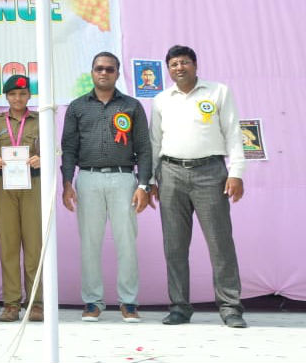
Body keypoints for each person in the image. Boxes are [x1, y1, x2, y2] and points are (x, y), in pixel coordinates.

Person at [150, 45, 247, 328]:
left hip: (210, 172)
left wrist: (236, 172)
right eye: (174, 64)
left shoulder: (218, 92)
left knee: (220, 243)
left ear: (195, 65)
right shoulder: (161, 99)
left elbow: (233, 132)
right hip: (170, 174)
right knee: (175, 245)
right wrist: (153, 180)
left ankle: (230, 308)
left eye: (184, 62)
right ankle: (179, 307)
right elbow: (155, 142)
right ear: (168, 69)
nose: (179, 68)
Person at [61, 53, 152, 323]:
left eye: (109, 69)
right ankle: (92, 301)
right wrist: (67, 182)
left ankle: (129, 302)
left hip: (124, 179)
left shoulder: (132, 106)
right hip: (87, 178)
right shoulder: (77, 107)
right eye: (99, 68)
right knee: (90, 243)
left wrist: (143, 184)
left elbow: (144, 149)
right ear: (92, 72)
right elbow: (69, 148)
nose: (104, 73)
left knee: (127, 242)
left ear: (117, 73)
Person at [0, 74, 43, 323]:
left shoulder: (41, 121)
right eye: (12, 94)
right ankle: (10, 303)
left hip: (33, 184)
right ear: (6, 97)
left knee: (34, 246)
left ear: (29, 95)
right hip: (5, 186)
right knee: (8, 246)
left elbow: (55, 150)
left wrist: (42, 159)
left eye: (22, 94)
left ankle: (36, 302)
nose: (17, 98)